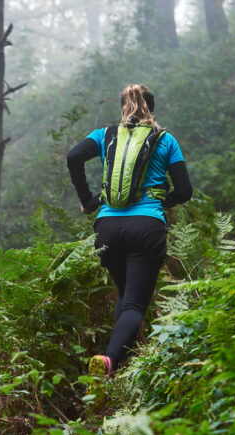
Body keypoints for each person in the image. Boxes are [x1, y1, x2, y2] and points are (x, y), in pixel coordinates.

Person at [66, 84, 193, 378]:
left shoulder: (104, 136)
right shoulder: (165, 140)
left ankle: (117, 370)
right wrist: (162, 199)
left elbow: (73, 157)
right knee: (135, 303)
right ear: (152, 107)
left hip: (107, 227)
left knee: (125, 294)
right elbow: (185, 190)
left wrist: (88, 201)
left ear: (122, 106)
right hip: (146, 226)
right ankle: (110, 362)